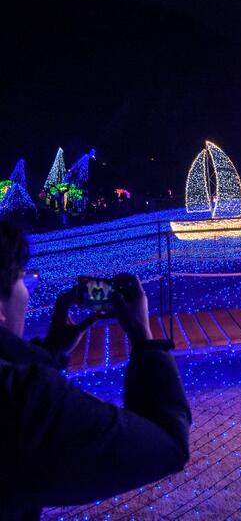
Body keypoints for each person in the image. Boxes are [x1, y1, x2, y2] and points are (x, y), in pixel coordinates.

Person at [0, 221, 191, 519]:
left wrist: (49, 352)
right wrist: (142, 337)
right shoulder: (27, 401)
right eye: (23, 279)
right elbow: (168, 446)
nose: (27, 290)